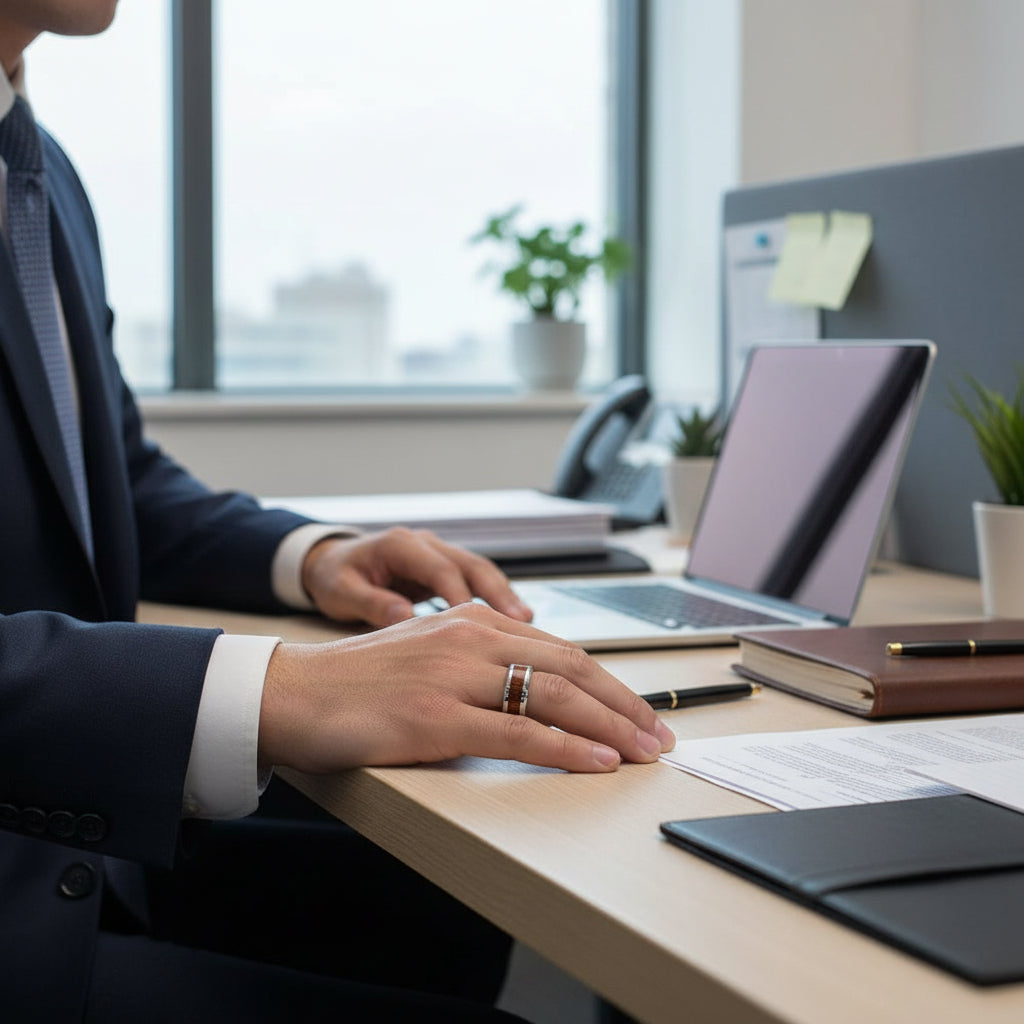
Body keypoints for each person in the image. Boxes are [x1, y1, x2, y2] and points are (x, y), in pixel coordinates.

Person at [0, 2, 676, 1020]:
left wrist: (312, 558)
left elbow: (111, 478)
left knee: (451, 883)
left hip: (70, 820)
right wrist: (277, 689)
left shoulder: (37, 168)